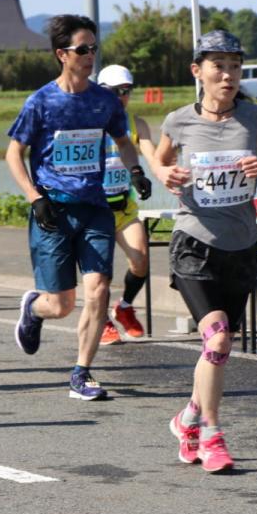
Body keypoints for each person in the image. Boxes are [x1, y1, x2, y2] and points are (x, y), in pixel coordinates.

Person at [154, 31, 257, 472]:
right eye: (219, 66)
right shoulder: (179, 121)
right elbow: (159, 161)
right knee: (215, 338)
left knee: (219, 347)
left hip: (242, 245)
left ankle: (188, 418)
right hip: (194, 242)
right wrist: (165, 174)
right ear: (198, 71)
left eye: (235, 67)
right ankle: (212, 434)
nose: (228, 75)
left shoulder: (256, 119)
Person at [7, 14, 151, 400]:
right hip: (53, 211)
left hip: (95, 207)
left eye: (93, 49)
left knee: (99, 288)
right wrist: (35, 198)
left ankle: (81, 372)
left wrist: (136, 171)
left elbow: (123, 141)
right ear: (62, 54)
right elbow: (13, 154)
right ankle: (34, 309)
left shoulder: (104, 101)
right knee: (61, 305)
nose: (90, 56)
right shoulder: (41, 101)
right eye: (82, 49)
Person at [96, 64, 157, 345]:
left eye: (126, 91)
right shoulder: (89, 122)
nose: (121, 97)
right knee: (100, 274)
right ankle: (103, 322)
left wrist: (164, 173)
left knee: (140, 260)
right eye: (115, 91)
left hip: (124, 207)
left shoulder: (136, 124)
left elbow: (152, 156)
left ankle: (124, 307)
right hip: (95, 209)